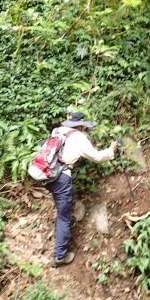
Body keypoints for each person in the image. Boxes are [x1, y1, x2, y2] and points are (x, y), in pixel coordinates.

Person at [45, 112, 118, 268]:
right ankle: (59, 256)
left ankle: (61, 234)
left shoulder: (58, 130)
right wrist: (111, 150)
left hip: (49, 176)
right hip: (61, 178)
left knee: (62, 211)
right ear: (81, 125)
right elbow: (97, 157)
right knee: (63, 217)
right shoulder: (79, 137)